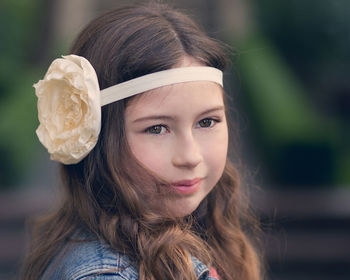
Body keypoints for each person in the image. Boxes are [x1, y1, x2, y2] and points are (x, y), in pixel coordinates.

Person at [23, 2, 262, 280]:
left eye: (207, 122)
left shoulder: (201, 227)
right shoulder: (104, 275)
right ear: (98, 137)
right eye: (157, 128)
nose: (190, 156)